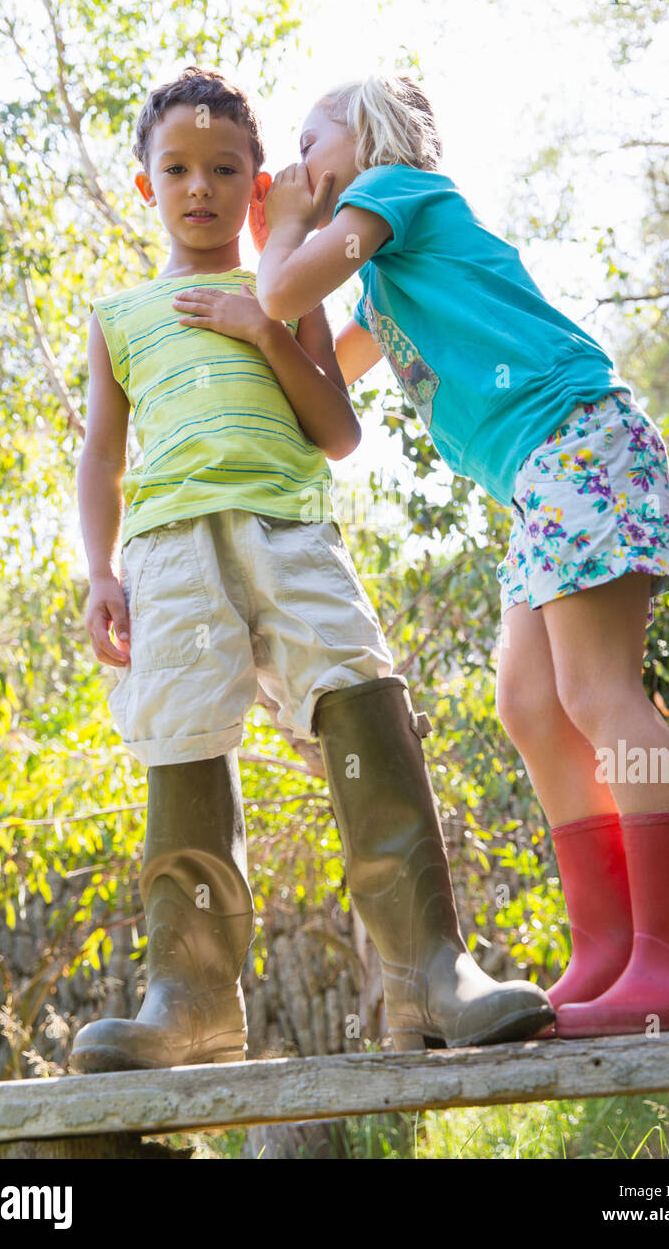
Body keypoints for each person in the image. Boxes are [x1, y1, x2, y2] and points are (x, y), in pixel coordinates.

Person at [174, 71, 669, 1039]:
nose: (298, 162)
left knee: (598, 692)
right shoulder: (385, 276)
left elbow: (281, 286)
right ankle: (612, 950)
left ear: (367, 137)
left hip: (578, 437)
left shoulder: (393, 194)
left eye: (310, 138)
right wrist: (251, 332)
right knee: (531, 704)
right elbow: (324, 380)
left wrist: (273, 235)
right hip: (542, 478)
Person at [69, 67, 554, 1073]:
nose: (199, 187)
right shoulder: (121, 316)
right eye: (176, 169)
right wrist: (98, 570)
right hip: (166, 552)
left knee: (358, 692)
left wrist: (264, 325)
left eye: (225, 169)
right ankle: (191, 996)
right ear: (143, 185)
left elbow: (336, 430)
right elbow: (100, 459)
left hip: (290, 529)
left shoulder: (284, 286)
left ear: (259, 186)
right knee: (183, 736)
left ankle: (429, 971)